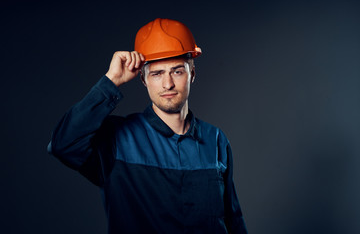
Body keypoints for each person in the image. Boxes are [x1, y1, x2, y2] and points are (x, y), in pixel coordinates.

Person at [47, 18, 248, 234]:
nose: (168, 83)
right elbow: (63, 145)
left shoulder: (216, 139)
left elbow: (233, 220)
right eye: (157, 73)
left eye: (177, 71)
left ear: (192, 74)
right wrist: (111, 81)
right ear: (143, 79)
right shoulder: (118, 140)